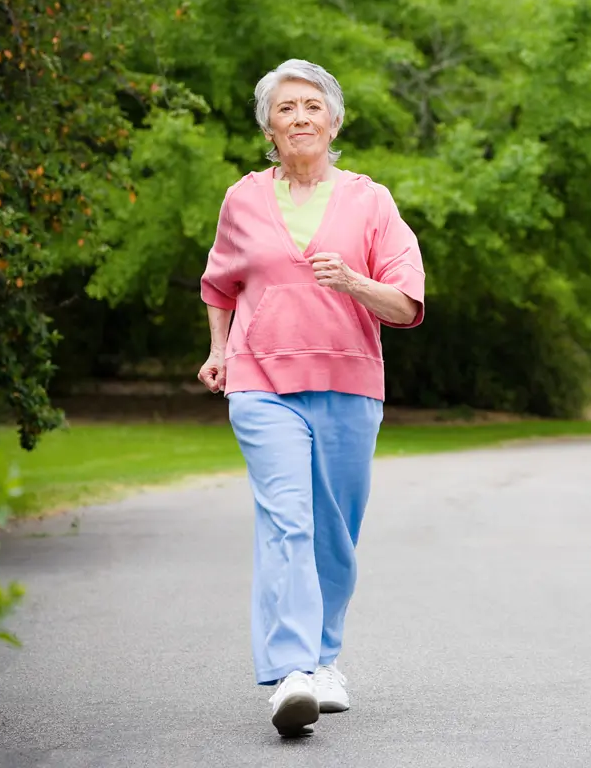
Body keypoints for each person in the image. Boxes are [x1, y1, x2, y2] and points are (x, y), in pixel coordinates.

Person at [197, 58, 425, 737]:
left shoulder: (370, 201)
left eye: (312, 106)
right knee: (287, 519)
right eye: (286, 107)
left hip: (350, 383)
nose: (300, 117)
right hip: (261, 381)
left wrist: (353, 281)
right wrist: (218, 350)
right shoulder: (242, 199)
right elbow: (219, 285)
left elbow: (408, 303)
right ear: (269, 125)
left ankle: (326, 660)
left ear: (333, 120)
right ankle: (291, 673)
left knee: (335, 534)